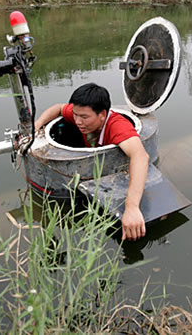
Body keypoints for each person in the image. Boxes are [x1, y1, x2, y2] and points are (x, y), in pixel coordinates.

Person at [34, 83, 149, 241]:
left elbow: (140, 156)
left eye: (84, 117)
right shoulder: (81, 115)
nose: (78, 121)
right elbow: (59, 108)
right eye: (75, 115)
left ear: (102, 114)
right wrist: (38, 125)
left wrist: (132, 207)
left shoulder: (117, 126)